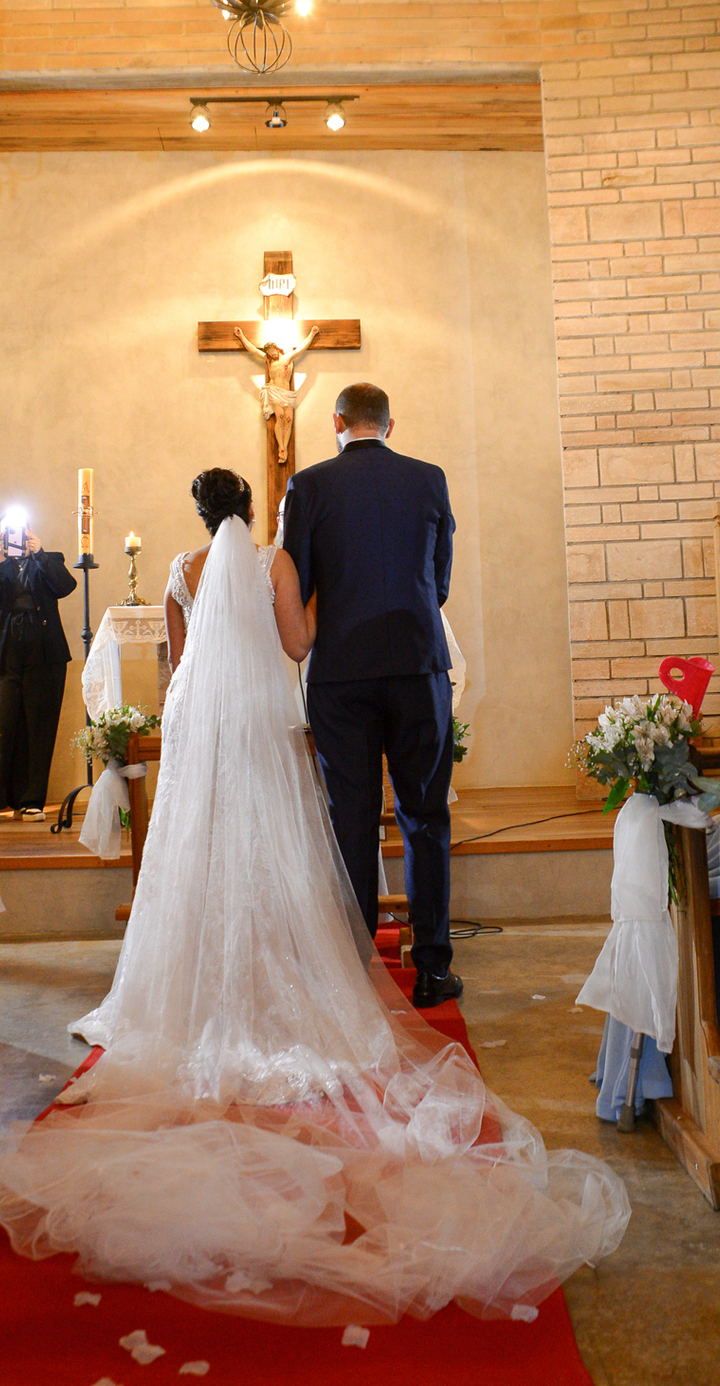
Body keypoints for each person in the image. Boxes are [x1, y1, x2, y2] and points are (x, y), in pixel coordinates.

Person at [0, 470, 629, 1328]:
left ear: (199, 511)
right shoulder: (278, 561)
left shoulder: (179, 567)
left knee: (202, 844)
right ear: (254, 508)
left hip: (202, 722)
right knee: (278, 844)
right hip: (261, 716)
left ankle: (197, 971)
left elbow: (176, 659)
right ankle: (285, 963)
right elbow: (294, 646)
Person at [280, 382, 460, 1007]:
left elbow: (294, 579)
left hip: (342, 675)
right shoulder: (428, 478)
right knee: (425, 817)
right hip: (417, 666)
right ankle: (433, 969)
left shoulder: (309, 486)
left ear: (336, 421)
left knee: (350, 820)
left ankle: (355, 973)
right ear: (389, 425)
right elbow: (438, 581)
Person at [0, 523, 76, 823]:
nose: (14, 536)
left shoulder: (49, 560)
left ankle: (30, 801)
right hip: (2, 655)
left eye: (20, 528)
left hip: (44, 654)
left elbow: (66, 587)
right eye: (8, 530)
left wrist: (39, 554)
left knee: (38, 728)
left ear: (29, 530)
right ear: (0, 535)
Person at [233, 323, 320, 464]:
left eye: (272, 351)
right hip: (275, 391)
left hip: (287, 392)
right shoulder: (268, 361)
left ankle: (285, 446)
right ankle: (281, 447)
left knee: (288, 419)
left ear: (276, 348)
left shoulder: (288, 358)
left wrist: (312, 333)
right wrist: (241, 336)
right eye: (269, 353)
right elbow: (253, 350)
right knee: (280, 417)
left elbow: (302, 348)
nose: (271, 354)